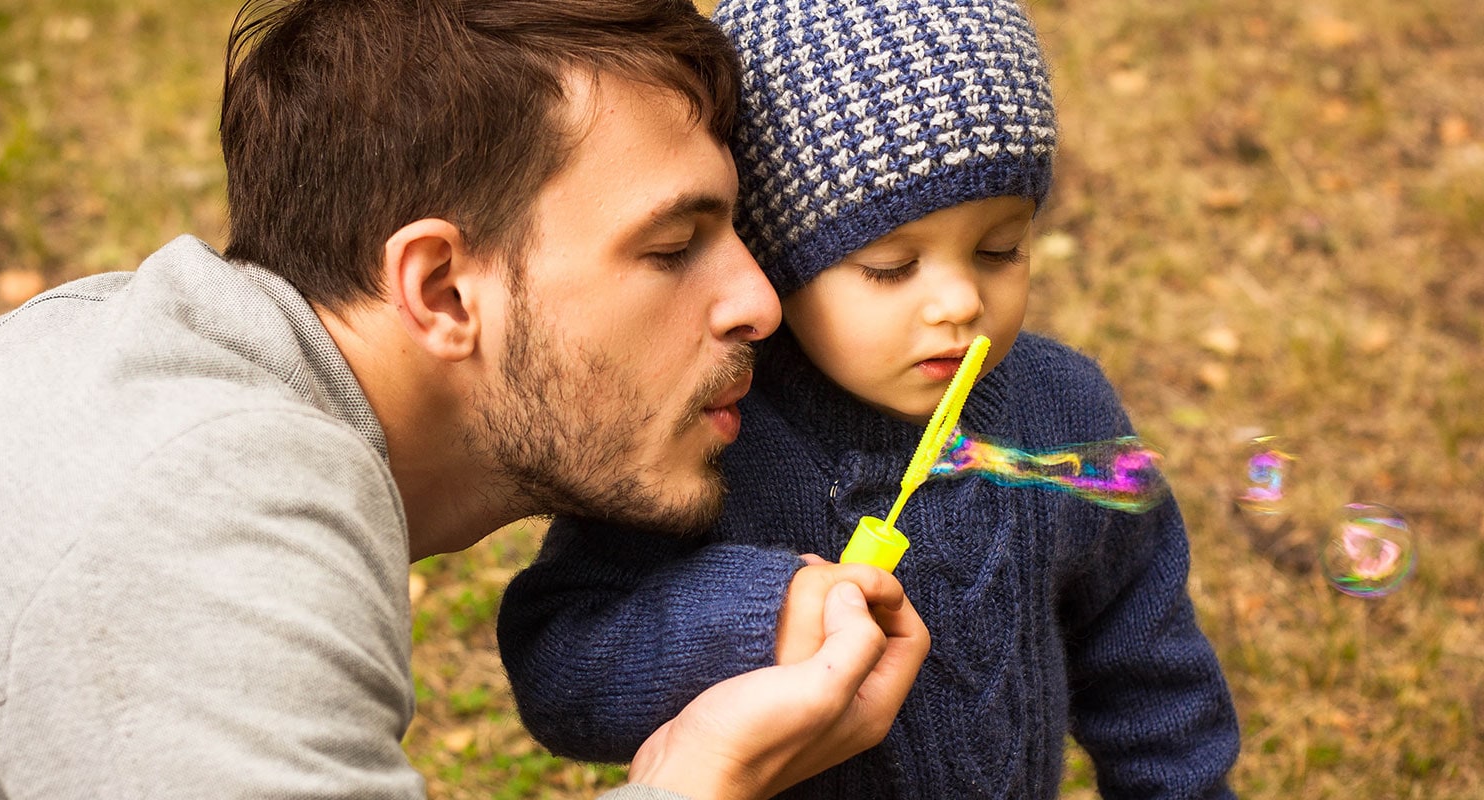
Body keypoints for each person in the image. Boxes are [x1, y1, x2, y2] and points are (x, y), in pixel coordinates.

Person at [0, 1, 931, 798]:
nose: (756, 299)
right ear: (438, 289)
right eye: (671, 246)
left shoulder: (152, 375)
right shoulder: (209, 512)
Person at [498, 0, 1243, 796]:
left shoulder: (1065, 412)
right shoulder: (709, 442)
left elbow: (1148, 662)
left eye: (1001, 248)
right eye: (890, 266)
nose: (960, 302)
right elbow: (560, 662)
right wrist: (752, 617)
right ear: (774, 262)